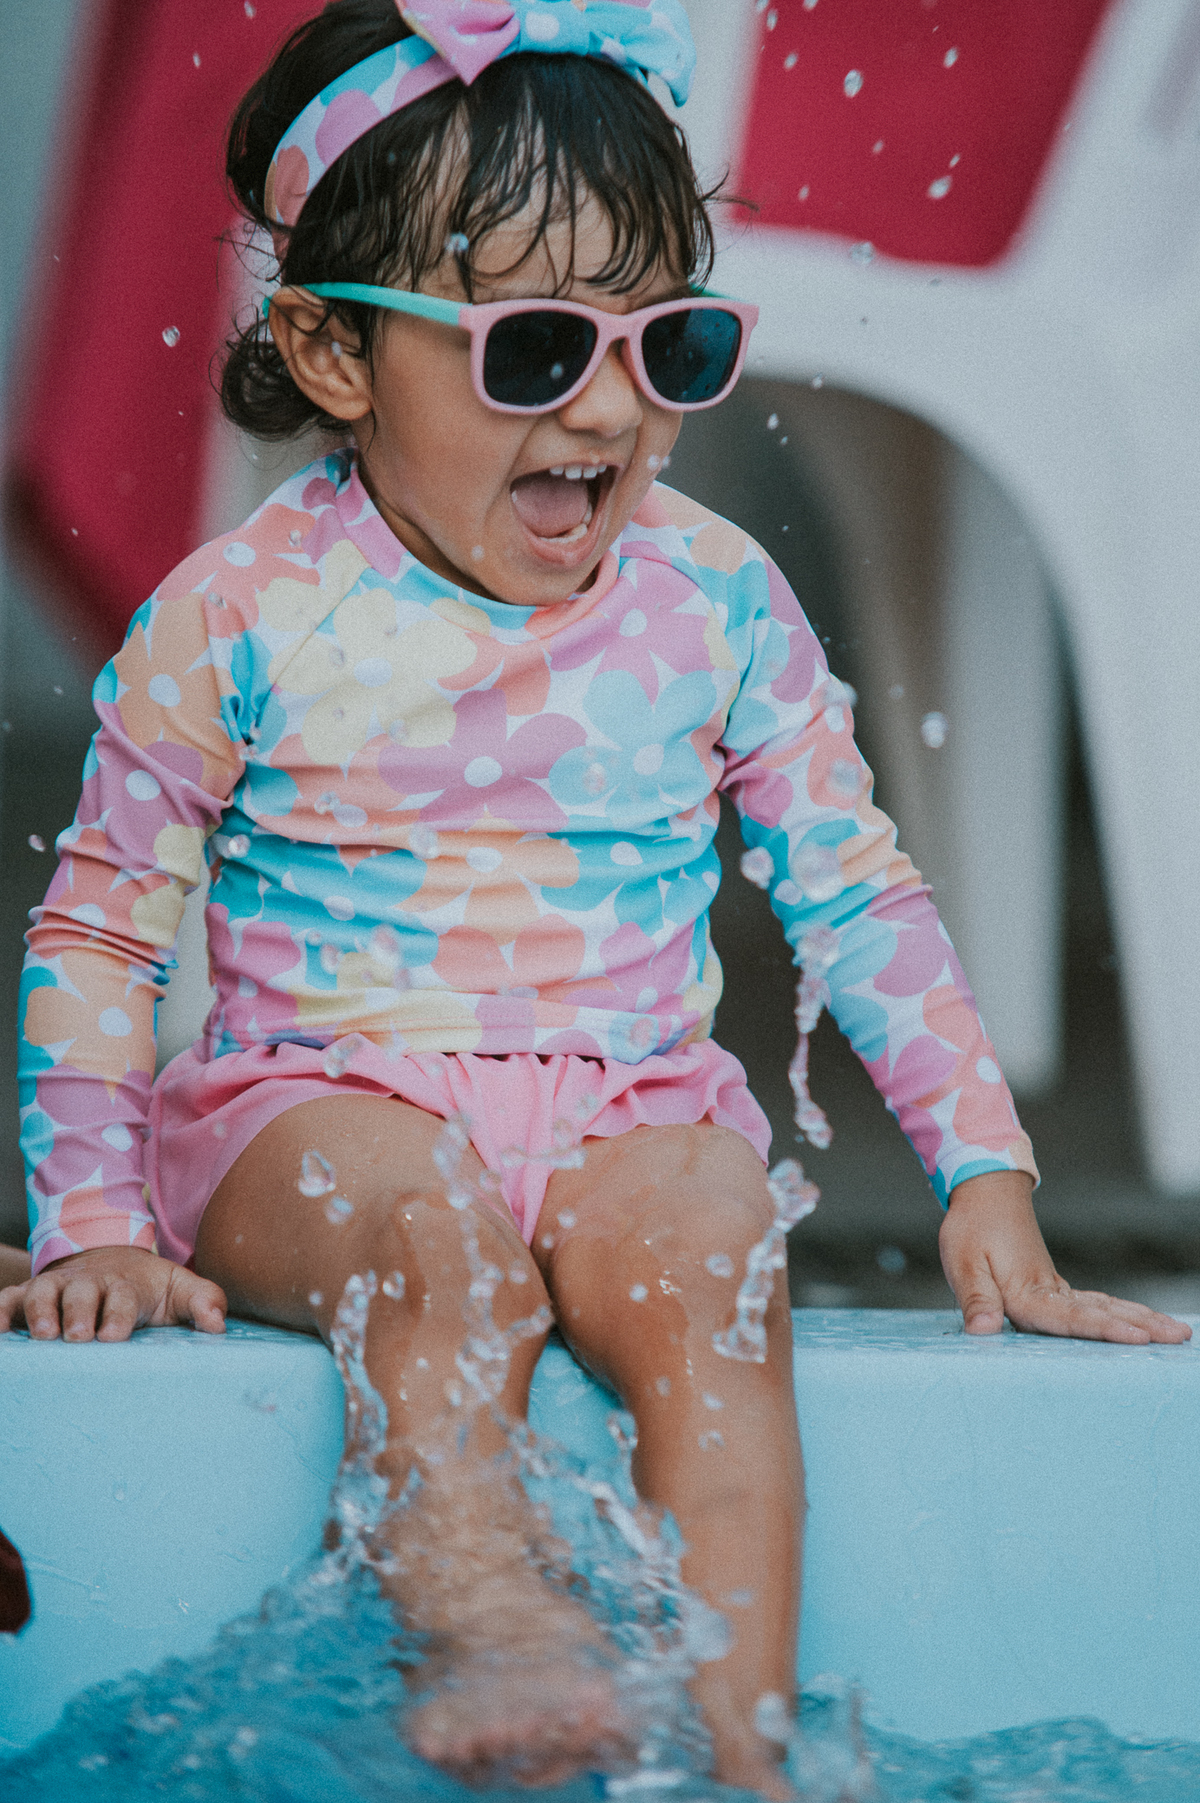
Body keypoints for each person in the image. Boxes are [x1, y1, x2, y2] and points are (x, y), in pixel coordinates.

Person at [0, 2, 1188, 1794]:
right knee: (435, 1252)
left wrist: (987, 1178)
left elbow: (855, 890)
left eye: (669, 339)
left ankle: (738, 1746)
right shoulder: (239, 612)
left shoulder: (712, 599)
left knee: (720, 1265)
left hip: (629, 1099)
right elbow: (102, 929)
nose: (614, 406)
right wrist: (94, 1218)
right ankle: (492, 1619)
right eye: (537, 347)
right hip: (308, 1106)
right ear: (332, 351)